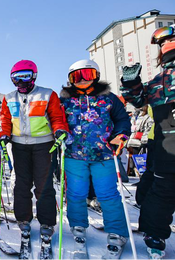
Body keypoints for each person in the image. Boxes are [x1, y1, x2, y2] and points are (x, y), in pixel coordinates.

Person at [60, 59, 132, 258]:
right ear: (70, 80)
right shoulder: (65, 100)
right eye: (77, 77)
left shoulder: (108, 98)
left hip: (104, 154)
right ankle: (78, 227)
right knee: (75, 194)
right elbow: (56, 119)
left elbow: (122, 119)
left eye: (88, 75)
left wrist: (121, 135)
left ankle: (117, 232)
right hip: (74, 154)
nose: (82, 81)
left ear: (96, 76)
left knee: (107, 194)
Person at [0, 60, 69, 247]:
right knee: (21, 184)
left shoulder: (47, 94)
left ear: (34, 76)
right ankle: (23, 219)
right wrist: (4, 134)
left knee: (44, 184)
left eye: (25, 76)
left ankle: (47, 222)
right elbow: (6, 119)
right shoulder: (9, 97)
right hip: (19, 145)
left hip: (44, 145)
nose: (21, 81)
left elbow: (56, 117)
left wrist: (60, 130)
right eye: (17, 77)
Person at [120, 25, 175, 259]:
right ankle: (154, 234)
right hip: (167, 142)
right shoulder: (159, 80)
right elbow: (140, 99)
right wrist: (131, 83)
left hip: (164, 141)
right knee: (163, 188)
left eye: (170, 41)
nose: (167, 46)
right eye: (162, 44)